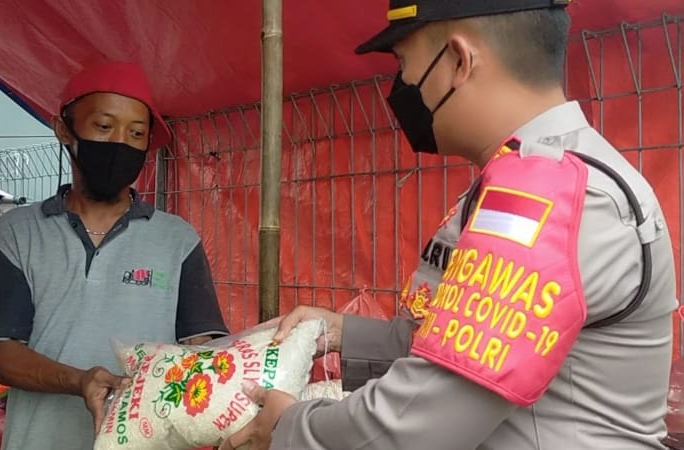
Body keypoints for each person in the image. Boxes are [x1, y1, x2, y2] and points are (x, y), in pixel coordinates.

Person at [221, 1, 678, 449]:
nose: (401, 85)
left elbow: (415, 423)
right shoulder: (522, 181)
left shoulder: (549, 197)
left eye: (404, 64)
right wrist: (340, 332)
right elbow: (451, 344)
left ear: (459, 60)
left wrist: (289, 427)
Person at [0, 61, 229, 450]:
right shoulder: (17, 233)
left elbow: (200, 350)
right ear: (63, 129)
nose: (120, 142)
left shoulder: (177, 239)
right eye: (104, 127)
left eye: (136, 133)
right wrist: (79, 380)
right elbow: (3, 355)